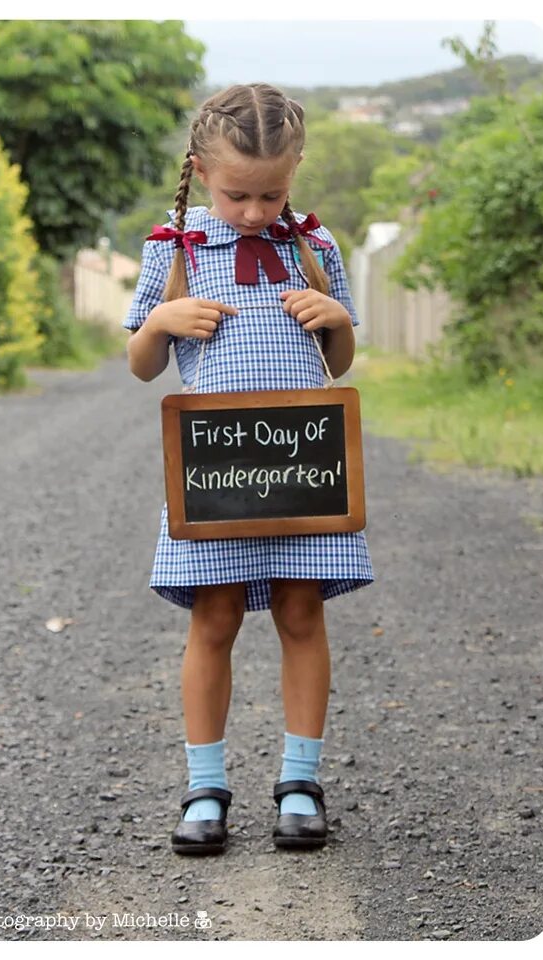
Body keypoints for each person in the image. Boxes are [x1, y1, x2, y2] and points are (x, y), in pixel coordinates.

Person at [124, 83, 374, 855]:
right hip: (215, 473)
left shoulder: (315, 246)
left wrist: (335, 319)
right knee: (216, 618)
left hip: (306, 464)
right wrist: (162, 321)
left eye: (274, 193)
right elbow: (141, 365)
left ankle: (300, 780)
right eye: (239, 194)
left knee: (303, 614)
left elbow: (336, 362)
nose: (257, 211)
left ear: (296, 172)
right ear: (201, 172)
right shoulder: (176, 248)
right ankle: (205, 786)